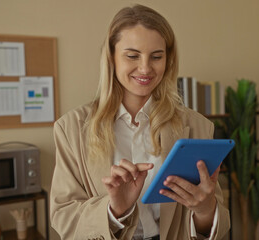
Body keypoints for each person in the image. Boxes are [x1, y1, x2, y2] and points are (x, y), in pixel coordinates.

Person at [50, 4, 230, 240]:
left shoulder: (198, 126)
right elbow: (62, 215)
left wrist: (205, 209)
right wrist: (115, 210)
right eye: (132, 55)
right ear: (111, 57)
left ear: (168, 59)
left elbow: (217, 224)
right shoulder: (70, 128)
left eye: (156, 56)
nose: (145, 68)